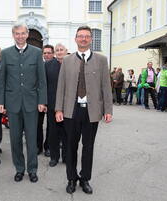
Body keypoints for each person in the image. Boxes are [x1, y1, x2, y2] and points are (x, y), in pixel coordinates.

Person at [55, 26, 113, 194]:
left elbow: (106, 87)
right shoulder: (67, 60)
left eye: (87, 36)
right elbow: (61, 87)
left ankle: (85, 178)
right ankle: (71, 179)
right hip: (71, 111)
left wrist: (108, 109)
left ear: (91, 39)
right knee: (71, 146)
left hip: (92, 111)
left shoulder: (101, 60)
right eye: (80, 36)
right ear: (75, 39)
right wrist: (58, 109)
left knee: (88, 146)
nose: (84, 39)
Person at [0, 22, 47, 183]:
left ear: (27, 34)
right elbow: (1, 80)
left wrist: (42, 101)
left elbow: (42, 80)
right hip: (12, 103)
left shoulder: (37, 52)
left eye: (23, 33)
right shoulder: (6, 53)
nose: (20, 36)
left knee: (32, 139)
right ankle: (19, 168)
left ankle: (32, 169)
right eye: (17, 33)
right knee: (15, 139)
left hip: (32, 103)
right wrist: (0, 102)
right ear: (13, 35)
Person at [46, 43, 67, 167]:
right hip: (52, 105)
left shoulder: (71, 64)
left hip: (68, 105)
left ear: (66, 51)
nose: (59, 52)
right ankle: (54, 157)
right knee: (53, 132)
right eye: (57, 50)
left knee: (67, 133)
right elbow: (43, 85)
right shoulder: (47, 65)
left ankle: (66, 156)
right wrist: (43, 102)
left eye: (61, 50)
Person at [37, 44, 55, 157]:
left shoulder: (57, 65)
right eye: (45, 53)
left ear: (52, 54)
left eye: (49, 53)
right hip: (39, 100)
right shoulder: (39, 65)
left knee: (51, 126)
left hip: (52, 100)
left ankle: (48, 146)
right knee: (37, 125)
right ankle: (38, 147)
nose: (47, 55)